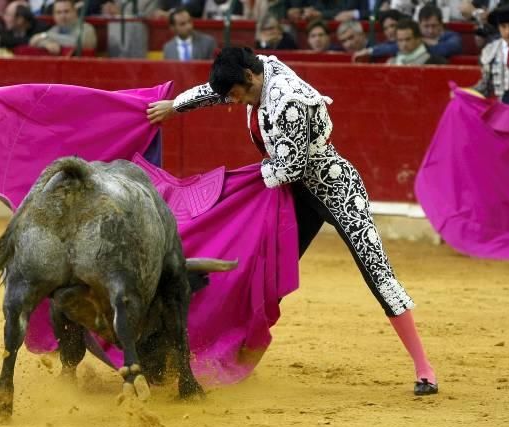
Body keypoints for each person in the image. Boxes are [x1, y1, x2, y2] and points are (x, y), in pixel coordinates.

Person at [146, 47, 439, 396]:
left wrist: (251, 176)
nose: (233, 102)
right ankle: (235, 357)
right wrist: (175, 106)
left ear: (250, 79)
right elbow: (220, 89)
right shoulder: (258, 68)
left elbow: (291, 168)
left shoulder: (288, 100)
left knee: (377, 272)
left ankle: (425, 369)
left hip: (335, 188)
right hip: (291, 195)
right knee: (263, 273)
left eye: (237, 94)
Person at [473, 5, 509, 104]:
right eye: (503, 27)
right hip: (502, 111)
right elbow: (485, 87)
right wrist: (465, 93)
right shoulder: (491, 50)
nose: (507, 32)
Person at [29, 0, 97, 55]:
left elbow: (78, 43)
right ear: (54, 15)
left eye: (66, 11)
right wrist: (46, 44)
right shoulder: (56, 29)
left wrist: (47, 35)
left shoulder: (87, 28)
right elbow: (33, 41)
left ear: (75, 12)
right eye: (58, 12)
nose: (63, 16)